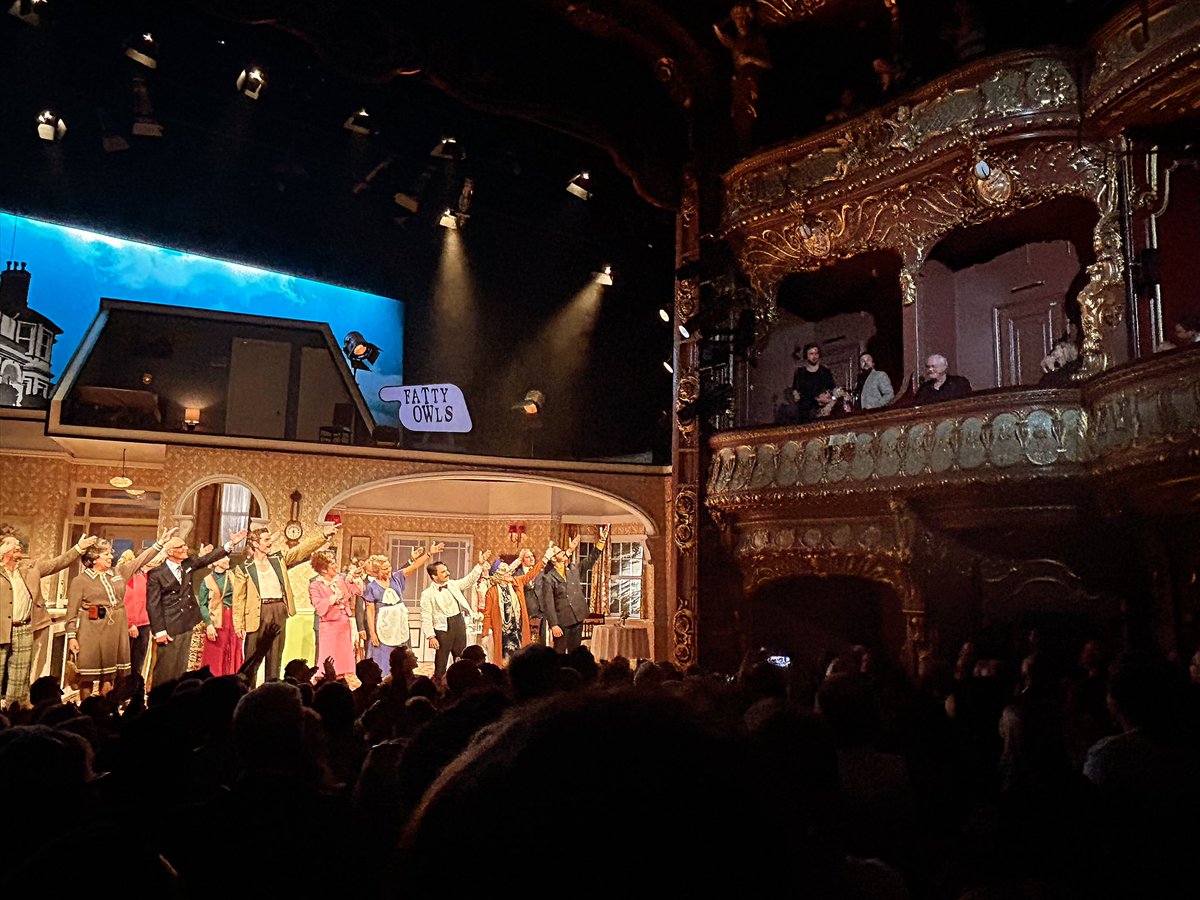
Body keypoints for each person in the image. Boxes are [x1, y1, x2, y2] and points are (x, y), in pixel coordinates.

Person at [65, 528, 173, 699]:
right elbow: (71, 613)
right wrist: (72, 636)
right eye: (105, 554)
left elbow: (140, 560)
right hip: (91, 629)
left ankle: (107, 708)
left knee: (110, 675)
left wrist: (160, 544)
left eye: (110, 553)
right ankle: (88, 709)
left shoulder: (118, 573)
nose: (110, 557)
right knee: (87, 674)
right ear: (93, 559)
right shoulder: (81, 581)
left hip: (115, 630)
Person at [231, 522, 338, 684]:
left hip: (278, 609)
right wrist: (238, 623)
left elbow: (301, 550)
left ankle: (272, 689)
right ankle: (247, 690)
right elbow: (239, 598)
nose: (270, 543)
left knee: (275, 655)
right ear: (255, 543)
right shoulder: (244, 568)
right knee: (252, 657)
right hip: (256, 612)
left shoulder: (277, 560)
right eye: (266, 540)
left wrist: (323, 536)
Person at [1, 533, 97, 706]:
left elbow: (57, 563)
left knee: (20, 674)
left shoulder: (30, 567)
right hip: (1, 628)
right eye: (14, 545)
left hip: (24, 628)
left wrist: (79, 548)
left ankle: (14, 710)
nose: (19, 547)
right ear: (3, 549)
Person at [146, 530, 247, 686]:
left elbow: (208, 558)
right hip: (168, 626)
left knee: (181, 667)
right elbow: (153, 604)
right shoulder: (156, 574)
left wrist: (231, 544)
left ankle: (178, 699)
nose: (186, 548)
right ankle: (159, 700)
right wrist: (159, 631)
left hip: (186, 623)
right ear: (170, 552)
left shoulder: (187, 565)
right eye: (181, 546)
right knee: (166, 667)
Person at [362, 544, 442, 671]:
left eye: (389, 567)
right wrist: (372, 633)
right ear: (377, 572)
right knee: (384, 658)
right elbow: (370, 611)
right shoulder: (372, 587)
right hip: (384, 624)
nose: (389, 570)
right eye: (385, 569)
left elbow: (415, 566)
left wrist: (429, 553)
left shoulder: (396, 577)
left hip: (399, 623)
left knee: (402, 656)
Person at [419, 550, 491, 683]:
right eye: (443, 572)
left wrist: (479, 565)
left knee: (461, 656)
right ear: (434, 577)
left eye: (446, 570)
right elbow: (426, 617)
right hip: (443, 628)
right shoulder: (427, 594)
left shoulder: (452, 584)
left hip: (458, 622)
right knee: (441, 660)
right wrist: (430, 636)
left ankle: (463, 682)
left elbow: (469, 581)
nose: (448, 573)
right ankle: (439, 687)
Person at [539, 527, 608, 654]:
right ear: (553, 559)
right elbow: (548, 604)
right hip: (562, 621)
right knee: (559, 652)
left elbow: (591, 560)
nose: (564, 553)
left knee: (575, 652)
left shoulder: (573, 570)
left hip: (577, 617)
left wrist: (601, 541)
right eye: (560, 552)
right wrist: (554, 624)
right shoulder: (548, 578)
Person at [481, 541, 551, 664]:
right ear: (499, 575)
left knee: (519, 658)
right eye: (506, 571)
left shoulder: (516, 582)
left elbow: (531, 574)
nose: (510, 573)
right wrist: (485, 633)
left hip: (517, 628)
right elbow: (487, 614)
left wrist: (545, 559)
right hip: (502, 630)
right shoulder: (491, 592)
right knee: (503, 659)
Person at [309, 550, 363, 681]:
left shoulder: (340, 580)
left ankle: (341, 682)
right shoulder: (315, 585)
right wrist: (333, 598)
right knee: (328, 658)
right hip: (329, 626)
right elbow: (318, 605)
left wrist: (354, 579)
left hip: (343, 625)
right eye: (332, 563)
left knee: (343, 661)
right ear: (323, 569)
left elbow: (358, 591)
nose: (335, 565)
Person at [122, 548, 164, 682]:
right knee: (126, 665)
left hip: (144, 625)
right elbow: (127, 601)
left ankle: (133, 693)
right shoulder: (130, 576)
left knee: (138, 664)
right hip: (130, 626)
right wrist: (130, 624)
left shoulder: (148, 576)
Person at [198, 554, 242, 677]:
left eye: (227, 557)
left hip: (233, 618)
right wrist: (209, 625)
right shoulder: (207, 580)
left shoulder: (233, 575)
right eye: (223, 557)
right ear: (215, 561)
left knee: (234, 649)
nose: (227, 560)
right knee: (216, 653)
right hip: (217, 620)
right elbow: (203, 604)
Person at [790, 343, 839, 422]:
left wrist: (830, 403)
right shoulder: (800, 373)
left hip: (824, 413)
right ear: (806, 355)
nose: (814, 356)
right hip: (806, 414)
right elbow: (796, 395)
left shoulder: (825, 372)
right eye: (811, 354)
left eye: (816, 353)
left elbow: (834, 392)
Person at [512, 547, 547, 645]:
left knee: (541, 642)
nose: (532, 559)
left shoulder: (541, 573)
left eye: (532, 556)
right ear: (522, 560)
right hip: (527, 611)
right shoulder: (517, 574)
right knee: (527, 642)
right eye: (528, 557)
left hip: (541, 611)